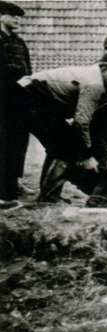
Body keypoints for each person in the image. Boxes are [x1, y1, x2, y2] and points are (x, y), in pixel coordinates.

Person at [14, 51, 107, 202]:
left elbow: (87, 126)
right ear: (105, 69)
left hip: (35, 97)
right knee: (64, 144)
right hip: (27, 96)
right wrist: (87, 156)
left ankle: (49, 195)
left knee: (65, 142)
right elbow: (81, 123)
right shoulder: (94, 84)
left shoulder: (97, 79)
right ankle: (48, 198)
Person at [41, 93, 107, 208]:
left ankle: (104, 199)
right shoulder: (106, 112)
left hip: (98, 175)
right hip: (79, 165)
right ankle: (49, 197)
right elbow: (95, 138)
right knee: (66, 142)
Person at [0, 0, 31, 206]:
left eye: (19, 17)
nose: (18, 20)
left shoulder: (19, 43)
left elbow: (28, 69)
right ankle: (4, 193)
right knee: (3, 144)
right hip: (2, 100)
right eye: (14, 16)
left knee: (19, 142)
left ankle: (14, 183)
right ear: (2, 16)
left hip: (19, 101)